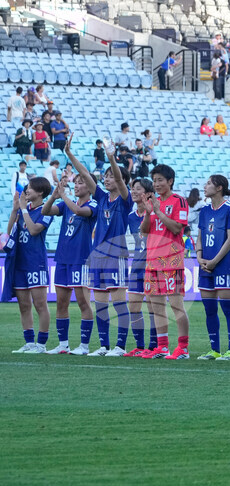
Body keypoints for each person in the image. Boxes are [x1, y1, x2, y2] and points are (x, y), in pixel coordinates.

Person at [41, 156, 97, 355]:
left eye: (81, 182)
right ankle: (63, 344)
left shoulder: (93, 205)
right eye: (76, 182)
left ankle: (84, 346)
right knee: (61, 303)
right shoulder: (66, 204)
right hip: (63, 258)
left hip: (80, 260)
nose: (77, 185)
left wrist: (63, 195)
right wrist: (54, 196)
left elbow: (78, 210)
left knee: (83, 302)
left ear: (90, 187)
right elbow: (46, 212)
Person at [85, 139, 133, 357]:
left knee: (119, 303)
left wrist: (112, 157)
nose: (106, 178)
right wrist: (68, 154)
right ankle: (104, 346)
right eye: (105, 175)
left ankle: (120, 346)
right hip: (98, 256)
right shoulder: (102, 197)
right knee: (101, 303)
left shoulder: (125, 200)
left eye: (110, 175)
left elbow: (121, 181)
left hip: (117, 255)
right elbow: (86, 176)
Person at [140, 164, 190, 360]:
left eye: (160, 180)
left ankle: (183, 348)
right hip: (152, 261)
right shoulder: (153, 202)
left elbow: (178, 228)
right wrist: (147, 212)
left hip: (172, 260)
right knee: (156, 307)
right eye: (154, 180)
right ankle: (162, 347)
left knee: (177, 306)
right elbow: (145, 231)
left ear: (170, 181)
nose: (157, 184)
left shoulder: (179, 201)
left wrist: (159, 212)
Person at [195, 175, 230, 360]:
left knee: (228, 308)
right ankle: (214, 350)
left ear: (219, 187)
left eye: (208, 183)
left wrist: (214, 261)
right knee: (209, 309)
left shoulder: (229, 209)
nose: (205, 186)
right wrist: (199, 257)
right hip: (205, 266)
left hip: (223, 266)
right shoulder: (204, 211)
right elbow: (199, 236)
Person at [7, 178, 54, 353]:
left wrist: (24, 210)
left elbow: (34, 230)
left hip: (36, 262)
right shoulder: (24, 210)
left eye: (30, 188)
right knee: (23, 304)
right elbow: (10, 230)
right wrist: (15, 210)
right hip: (20, 262)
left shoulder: (46, 210)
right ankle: (29, 342)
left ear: (40, 192)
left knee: (40, 303)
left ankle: (41, 344)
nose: (26, 191)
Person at [122, 178, 158, 357]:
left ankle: (153, 346)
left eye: (138, 189)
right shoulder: (130, 216)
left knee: (153, 308)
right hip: (137, 264)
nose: (133, 191)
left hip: (152, 265)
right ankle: (139, 345)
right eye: (132, 189)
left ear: (148, 193)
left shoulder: (156, 212)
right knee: (134, 307)